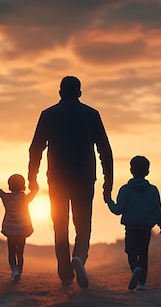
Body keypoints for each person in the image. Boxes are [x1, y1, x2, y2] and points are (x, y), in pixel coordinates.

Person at [28, 76, 113, 288]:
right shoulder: (92, 115)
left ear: (59, 93)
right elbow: (105, 150)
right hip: (84, 178)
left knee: (60, 226)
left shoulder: (48, 115)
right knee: (83, 224)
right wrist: (108, 184)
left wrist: (32, 178)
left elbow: (35, 148)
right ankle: (79, 257)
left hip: (57, 178)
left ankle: (65, 274)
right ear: (80, 93)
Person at [106, 155, 161, 291]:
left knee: (131, 252)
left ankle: (135, 268)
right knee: (143, 253)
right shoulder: (153, 190)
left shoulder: (125, 190)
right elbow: (157, 207)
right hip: (146, 228)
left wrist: (109, 201)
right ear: (148, 172)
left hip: (131, 227)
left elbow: (118, 210)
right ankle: (141, 283)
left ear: (131, 170)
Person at [0, 174, 37, 284]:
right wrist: (34, 182)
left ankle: (14, 271)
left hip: (10, 229)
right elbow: (35, 191)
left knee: (11, 252)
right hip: (22, 230)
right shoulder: (25, 198)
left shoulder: (6, 197)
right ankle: (19, 273)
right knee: (20, 252)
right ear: (23, 185)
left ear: (10, 186)